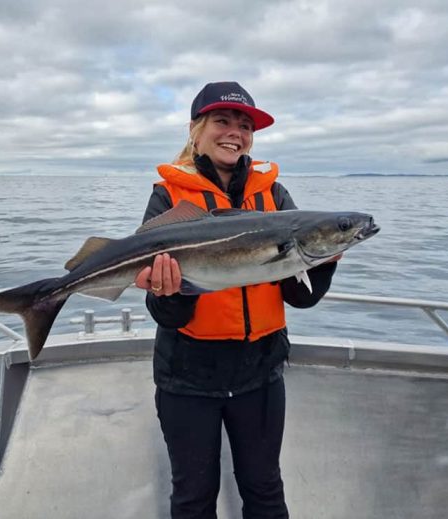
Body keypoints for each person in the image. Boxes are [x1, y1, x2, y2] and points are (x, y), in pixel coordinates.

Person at [134, 81, 339, 519]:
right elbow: (164, 314)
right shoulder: (168, 197)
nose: (235, 133)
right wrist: (169, 291)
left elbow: (298, 298)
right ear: (196, 129)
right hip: (187, 377)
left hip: (260, 374)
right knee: (193, 498)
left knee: (265, 491)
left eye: (245, 125)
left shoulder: (275, 197)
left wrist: (324, 261)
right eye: (222, 121)